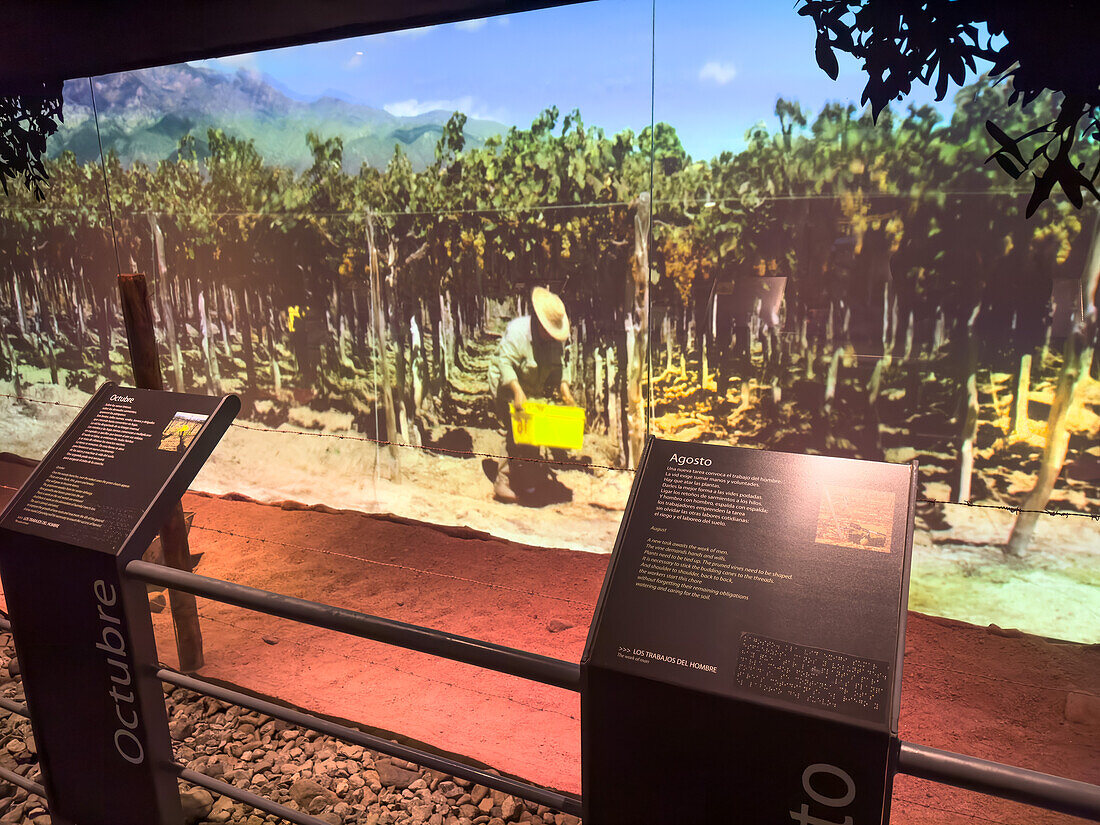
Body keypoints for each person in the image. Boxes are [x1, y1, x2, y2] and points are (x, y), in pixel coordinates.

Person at [487, 286, 575, 503]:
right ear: (537, 321)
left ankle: (528, 479)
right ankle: (503, 480)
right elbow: (505, 363)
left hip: (533, 388)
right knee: (517, 428)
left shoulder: (555, 341)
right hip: (507, 382)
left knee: (535, 430)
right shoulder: (517, 331)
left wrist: (565, 389)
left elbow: (561, 367)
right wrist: (516, 391)